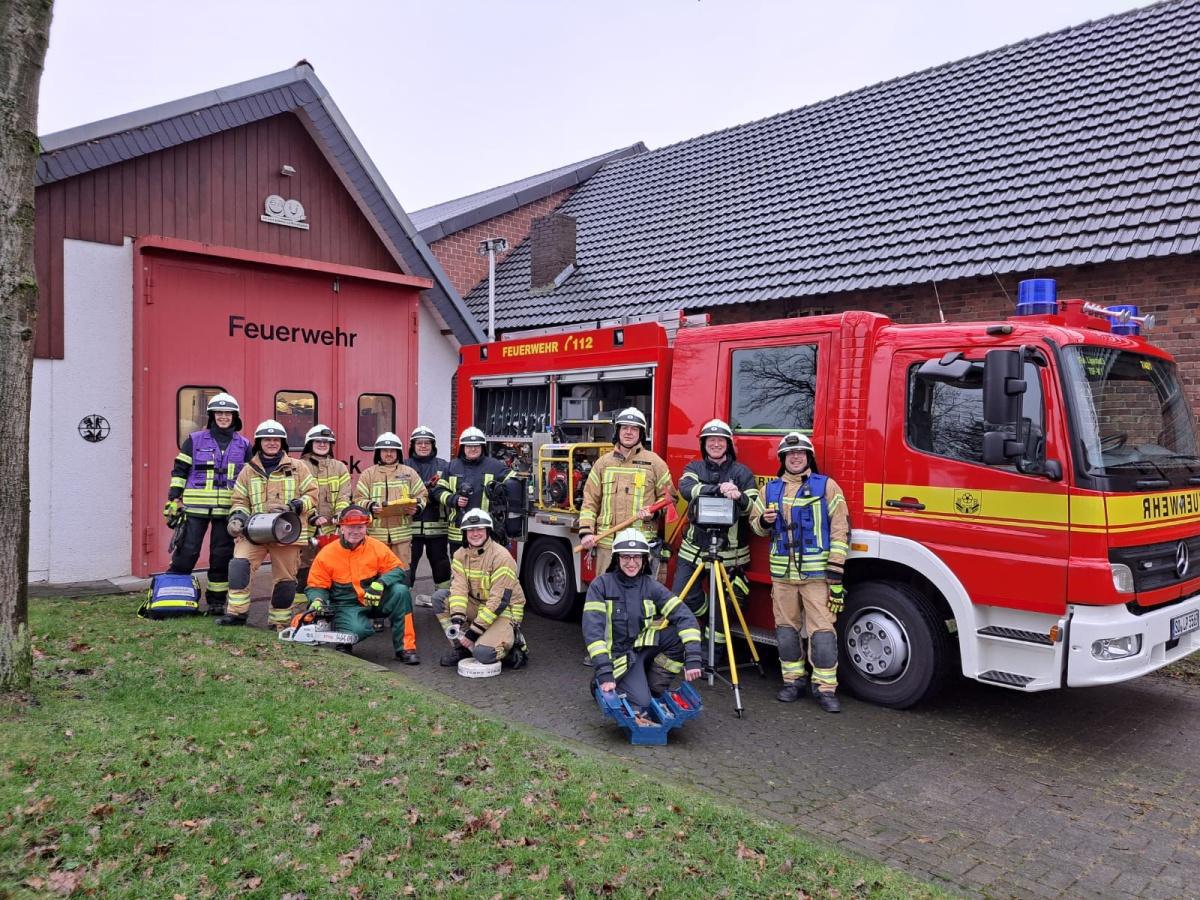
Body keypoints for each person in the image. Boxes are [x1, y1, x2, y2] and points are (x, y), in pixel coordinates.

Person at [751, 432, 849, 713]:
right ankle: (793, 681)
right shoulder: (769, 490)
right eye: (790, 454)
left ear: (808, 458)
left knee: (822, 633)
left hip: (817, 576)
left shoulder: (827, 486)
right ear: (782, 459)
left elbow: (841, 529)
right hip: (782, 577)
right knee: (785, 631)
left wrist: (836, 571)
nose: (795, 457)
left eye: (801, 454)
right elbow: (755, 526)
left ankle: (825, 688)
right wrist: (763, 521)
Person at [582, 528, 703, 726]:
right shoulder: (601, 586)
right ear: (616, 559)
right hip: (618, 659)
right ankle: (601, 683)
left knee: (678, 636)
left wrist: (693, 657)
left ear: (644, 559)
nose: (631, 563)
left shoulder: (650, 585)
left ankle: (654, 687)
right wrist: (604, 671)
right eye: (626, 557)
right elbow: (593, 633)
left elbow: (684, 615)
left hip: (640, 648)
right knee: (642, 704)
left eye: (637, 557)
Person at [671, 419, 763, 653]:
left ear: (728, 444)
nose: (715, 444)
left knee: (726, 609)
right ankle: (709, 616)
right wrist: (719, 489)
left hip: (731, 554)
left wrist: (738, 496)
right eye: (710, 440)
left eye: (720, 440)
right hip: (693, 550)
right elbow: (686, 490)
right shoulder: (694, 468)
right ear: (704, 444)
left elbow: (751, 507)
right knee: (684, 596)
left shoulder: (742, 473)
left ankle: (711, 654)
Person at [218, 419, 318, 629]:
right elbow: (240, 500)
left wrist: (297, 504)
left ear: (282, 443)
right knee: (239, 566)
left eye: (276, 439)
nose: (271, 443)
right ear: (259, 442)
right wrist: (238, 518)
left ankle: (279, 622)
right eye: (267, 439)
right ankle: (236, 614)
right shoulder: (248, 470)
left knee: (285, 580)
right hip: (254, 531)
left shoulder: (298, 467)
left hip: (287, 532)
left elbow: (313, 494)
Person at [163, 392, 251, 616]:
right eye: (219, 413)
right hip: (195, 510)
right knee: (187, 551)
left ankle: (216, 602)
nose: (223, 417)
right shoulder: (194, 440)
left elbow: (251, 478)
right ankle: (174, 596)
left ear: (235, 416)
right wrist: (174, 498)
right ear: (212, 416)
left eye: (227, 413)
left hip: (226, 511)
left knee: (221, 556)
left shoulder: (245, 445)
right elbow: (180, 471)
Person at [354, 431, 428, 664]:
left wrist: (417, 507)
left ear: (398, 452)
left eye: (392, 450)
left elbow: (422, 495)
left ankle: (402, 619)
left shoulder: (409, 473)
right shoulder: (368, 474)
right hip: (375, 538)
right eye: (385, 450)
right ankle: (376, 617)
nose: (388, 454)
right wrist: (370, 506)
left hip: (401, 538)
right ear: (378, 453)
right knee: (374, 579)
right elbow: (358, 499)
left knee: (401, 580)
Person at [303, 504, 414, 659]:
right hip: (347, 604)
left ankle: (406, 648)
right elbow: (316, 585)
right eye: (351, 527)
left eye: (360, 527)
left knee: (401, 592)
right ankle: (343, 638)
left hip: (373, 599)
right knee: (356, 631)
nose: (356, 532)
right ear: (341, 527)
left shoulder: (375, 546)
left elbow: (397, 569)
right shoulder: (327, 554)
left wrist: (380, 583)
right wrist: (317, 600)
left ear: (366, 527)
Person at [578, 407, 675, 581]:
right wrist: (586, 531)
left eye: (634, 429)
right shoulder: (603, 463)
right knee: (607, 596)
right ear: (617, 431)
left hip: (640, 548)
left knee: (641, 599)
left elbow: (670, 499)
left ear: (641, 433)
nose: (629, 432)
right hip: (607, 546)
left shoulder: (655, 463)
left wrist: (654, 512)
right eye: (624, 428)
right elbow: (590, 500)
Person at [432, 508, 528, 669]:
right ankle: (462, 648)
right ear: (464, 533)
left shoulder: (501, 557)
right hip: (477, 605)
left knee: (484, 654)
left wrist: (472, 632)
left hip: (503, 611)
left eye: (479, 529)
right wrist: (456, 620)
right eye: (470, 530)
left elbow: (499, 602)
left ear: (487, 531)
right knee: (440, 597)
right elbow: (458, 590)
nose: (475, 534)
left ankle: (515, 647)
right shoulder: (460, 555)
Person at [296, 424, 351, 596]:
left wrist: (340, 514)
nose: (322, 444)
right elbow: (296, 494)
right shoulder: (299, 466)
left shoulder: (339, 467)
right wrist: (312, 516)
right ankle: (302, 607)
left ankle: (330, 604)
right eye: (318, 441)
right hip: (305, 528)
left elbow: (345, 495)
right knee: (303, 569)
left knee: (333, 567)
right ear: (309, 443)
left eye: (326, 442)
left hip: (332, 530)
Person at [440, 427, 511, 550]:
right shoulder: (451, 467)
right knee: (459, 566)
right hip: (458, 532)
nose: (473, 449)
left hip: (485, 530)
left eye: (477, 446)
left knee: (486, 566)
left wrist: (500, 493)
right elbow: (438, 490)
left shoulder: (495, 466)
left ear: (482, 447)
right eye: (469, 446)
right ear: (462, 448)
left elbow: (514, 483)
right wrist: (453, 499)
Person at [404, 425, 451, 607]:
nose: (423, 446)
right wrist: (427, 491)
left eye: (427, 443)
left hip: (437, 527)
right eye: (419, 443)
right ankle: (404, 604)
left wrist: (430, 493)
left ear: (433, 445)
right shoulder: (404, 466)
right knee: (409, 567)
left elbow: (447, 489)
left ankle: (443, 600)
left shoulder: (443, 466)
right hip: (410, 528)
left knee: (441, 566)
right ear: (412, 445)